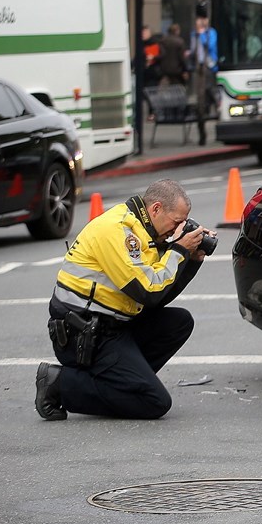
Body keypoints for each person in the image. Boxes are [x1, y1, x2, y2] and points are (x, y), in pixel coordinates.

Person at [35, 179, 215, 421]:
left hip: (111, 326)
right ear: (156, 209)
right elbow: (148, 292)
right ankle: (60, 384)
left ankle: (125, 385)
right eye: (176, 223)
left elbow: (158, 297)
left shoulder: (144, 232)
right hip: (82, 334)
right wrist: (179, 250)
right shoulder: (118, 230)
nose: (177, 230)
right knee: (155, 403)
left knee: (180, 322)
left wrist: (192, 261)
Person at [190, 16, 219, 145]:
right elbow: (193, 49)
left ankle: (215, 103)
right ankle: (202, 134)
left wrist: (201, 35)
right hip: (198, 67)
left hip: (209, 65)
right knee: (200, 100)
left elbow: (210, 46)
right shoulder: (194, 34)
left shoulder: (210, 33)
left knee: (209, 90)